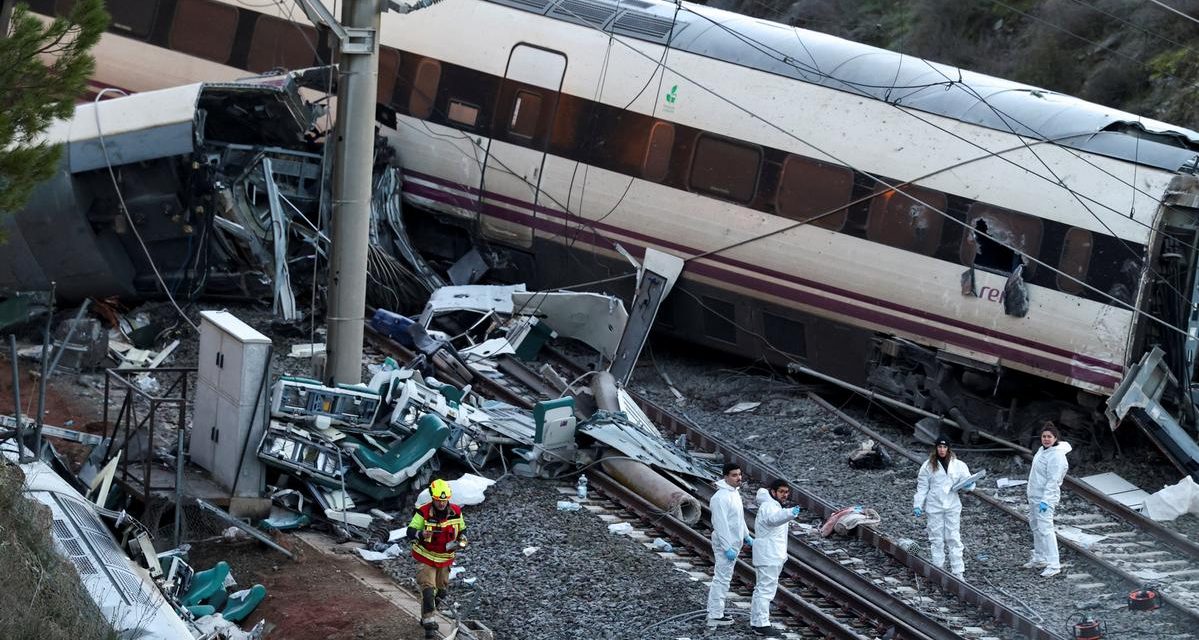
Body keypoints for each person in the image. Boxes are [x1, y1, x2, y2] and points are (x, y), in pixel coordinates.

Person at [406, 478, 467, 629]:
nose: (441, 503)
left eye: (444, 500)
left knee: (441, 592)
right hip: (426, 557)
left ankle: (429, 611)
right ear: (433, 498)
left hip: (445, 559)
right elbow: (410, 530)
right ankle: (429, 623)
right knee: (428, 590)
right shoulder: (423, 512)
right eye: (439, 500)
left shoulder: (456, 512)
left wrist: (463, 538)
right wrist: (421, 534)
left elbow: (462, 529)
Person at [912, 437, 973, 580]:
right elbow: (922, 487)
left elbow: (968, 481)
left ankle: (958, 572)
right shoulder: (928, 466)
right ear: (936, 448)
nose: (942, 450)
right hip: (934, 505)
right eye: (939, 447)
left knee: (953, 537)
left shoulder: (959, 465)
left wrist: (969, 485)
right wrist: (918, 504)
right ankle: (938, 568)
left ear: (948, 448)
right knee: (936, 538)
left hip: (952, 505)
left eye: (944, 447)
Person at [750, 479, 802, 637]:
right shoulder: (769, 506)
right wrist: (790, 513)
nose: (785, 495)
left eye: (786, 492)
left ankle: (757, 622)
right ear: (773, 492)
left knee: (763, 588)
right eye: (781, 492)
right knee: (765, 590)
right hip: (769, 555)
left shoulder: (774, 505)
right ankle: (761, 624)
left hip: (771, 554)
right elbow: (773, 520)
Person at [706, 462, 751, 628]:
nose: (739, 478)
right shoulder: (720, 498)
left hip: (734, 542)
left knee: (725, 578)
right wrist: (727, 548)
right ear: (725, 477)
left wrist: (746, 535)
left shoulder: (734, 493)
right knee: (721, 579)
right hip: (726, 544)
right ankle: (715, 614)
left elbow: (738, 518)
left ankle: (717, 611)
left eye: (739, 474)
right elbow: (720, 524)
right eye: (734, 475)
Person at [1026, 422, 1071, 577]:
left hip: (1045, 498)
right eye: (1044, 436)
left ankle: (1054, 564)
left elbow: (1053, 481)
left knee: (1046, 530)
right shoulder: (1042, 450)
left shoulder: (1056, 456)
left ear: (1055, 438)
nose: (1046, 439)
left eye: (1049, 437)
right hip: (1034, 496)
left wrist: (1046, 500)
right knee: (1036, 527)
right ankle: (1040, 557)